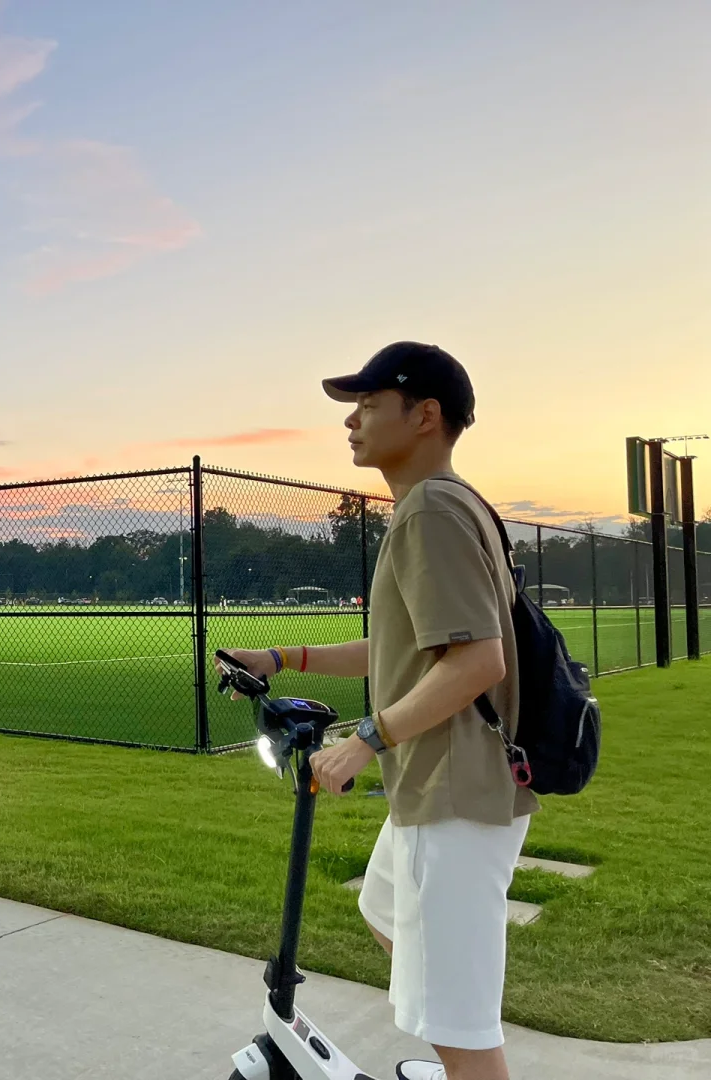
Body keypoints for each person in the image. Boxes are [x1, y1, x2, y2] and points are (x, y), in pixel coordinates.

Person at [215, 342, 535, 1080]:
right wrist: (284, 657)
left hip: (457, 794)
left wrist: (364, 738)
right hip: (435, 788)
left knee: (462, 1024)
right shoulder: (441, 506)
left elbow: (478, 661)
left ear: (425, 416)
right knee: (386, 910)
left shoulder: (431, 512)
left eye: (367, 404)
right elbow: (400, 644)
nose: (352, 421)